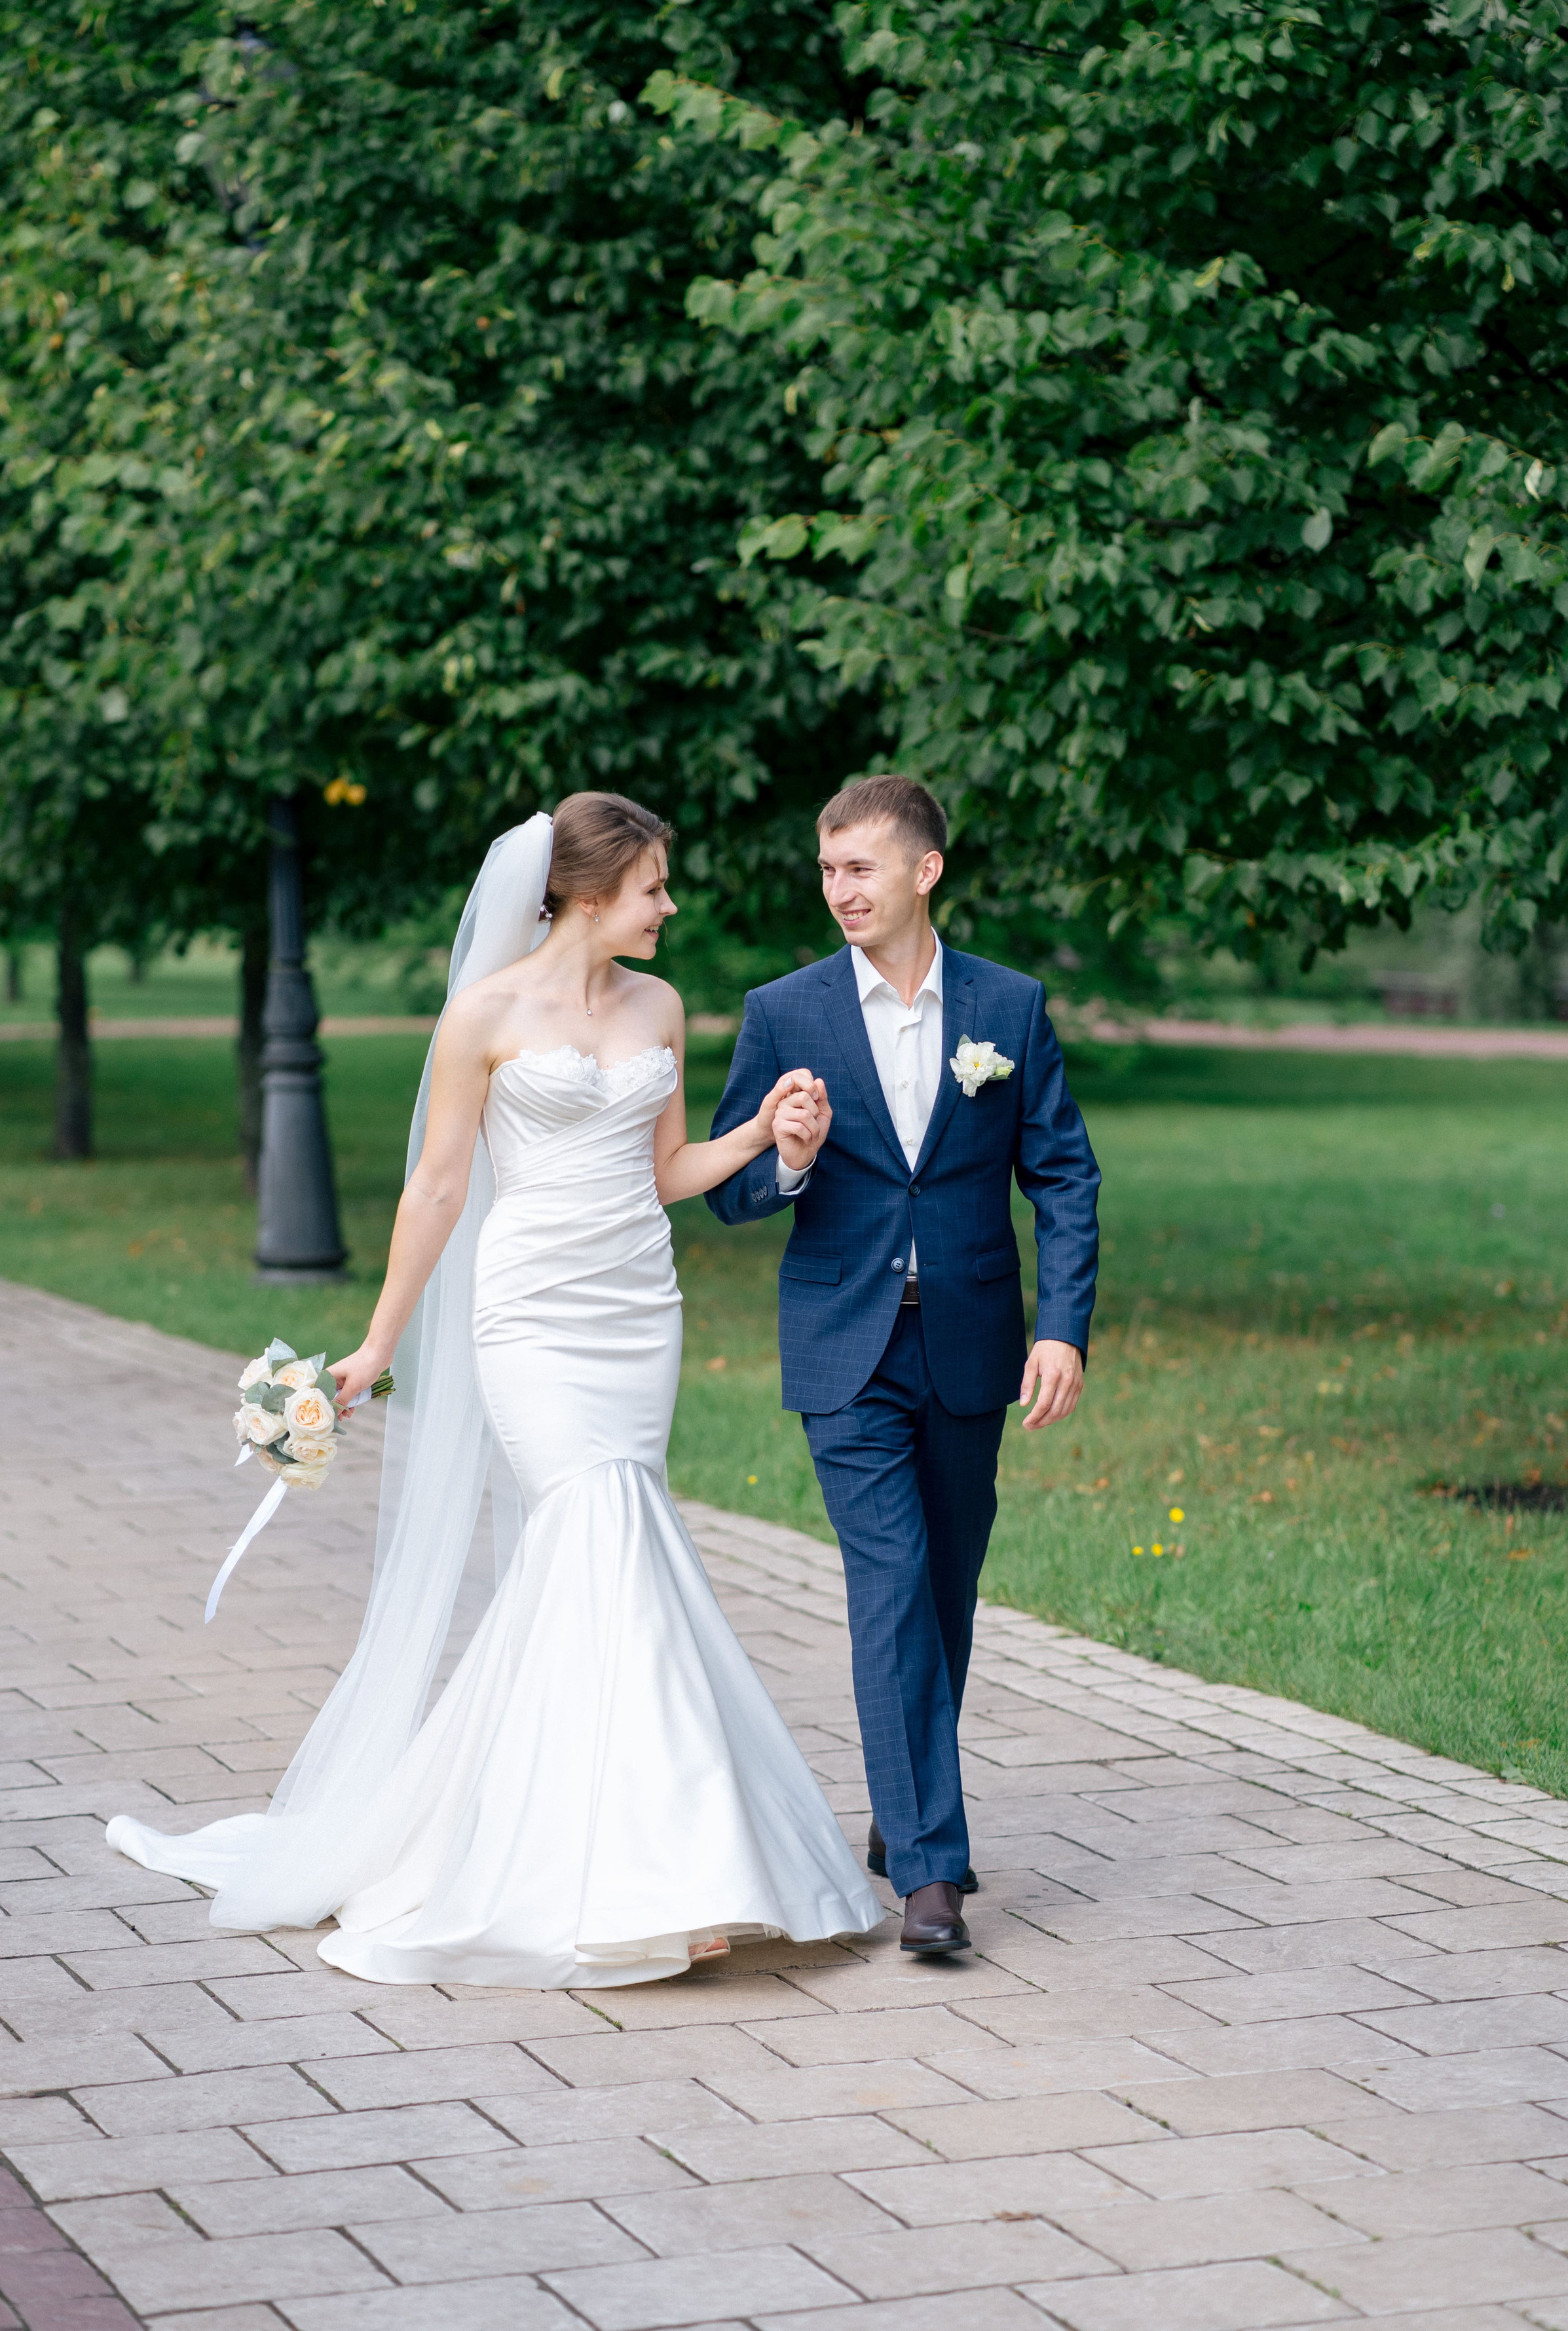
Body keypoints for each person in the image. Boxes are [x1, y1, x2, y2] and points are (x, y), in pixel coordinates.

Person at [107, 796, 881, 1987]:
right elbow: (436, 1190)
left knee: (613, 1544)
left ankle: (643, 1849)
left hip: (637, 1311)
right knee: (599, 1532)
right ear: (585, 892)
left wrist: (775, 1139)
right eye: (652, 887)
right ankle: (650, 1865)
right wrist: (376, 1345)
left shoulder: (662, 1006)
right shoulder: (484, 1014)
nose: (670, 905)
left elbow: (670, 1167)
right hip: (531, 1316)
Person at [707, 776, 1100, 1955]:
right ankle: (933, 1873)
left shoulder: (1009, 1009)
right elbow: (726, 1189)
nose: (840, 893)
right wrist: (784, 1156)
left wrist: (1062, 1326)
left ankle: (901, 1804)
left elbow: (1065, 1176)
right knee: (889, 1587)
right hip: (846, 1348)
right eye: (829, 872)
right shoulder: (785, 1012)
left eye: (861, 870)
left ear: (925, 871)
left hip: (971, 1341)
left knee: (945, 1590)